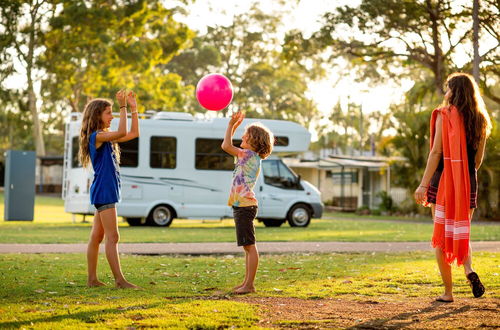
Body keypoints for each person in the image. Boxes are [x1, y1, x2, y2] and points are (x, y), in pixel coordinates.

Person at [414, 72, 492, 302]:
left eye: (447, 89)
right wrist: (463, 173)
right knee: (461, 231)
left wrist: (423, 184)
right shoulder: (481, 120)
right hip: (468, 182)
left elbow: (436, 152)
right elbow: (477, 161)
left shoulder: (444, 115)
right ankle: (468, 270)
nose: (445, 93)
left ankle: (448, 293)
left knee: (441, 237)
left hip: (443, 184)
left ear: (455, 92)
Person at [79, 90, 140, 288]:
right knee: (113, 237)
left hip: (105, 190)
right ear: (98, 115)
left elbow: (132, 133)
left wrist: (133, 108)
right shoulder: (97, 136)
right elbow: (123, 132)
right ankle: (119, 280)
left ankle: (92, 280)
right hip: (104, 191)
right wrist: (122, 106)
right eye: (109, 112)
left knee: (97, 237)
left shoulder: (106, 137)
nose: (112, 116)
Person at [221, 111, 274, 294]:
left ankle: (249, 285)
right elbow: (228, 145)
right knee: (247, 246)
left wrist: (230, 125)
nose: (242, 136)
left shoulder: (248, 155)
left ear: (255, 141)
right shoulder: (248, 156)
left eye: (246, 135)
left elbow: (226, 145)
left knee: (249, 246)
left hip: (245, 206)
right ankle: (246, 283)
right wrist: (233, 126)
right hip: (242, 205)